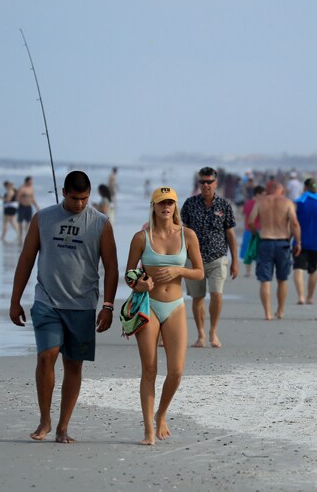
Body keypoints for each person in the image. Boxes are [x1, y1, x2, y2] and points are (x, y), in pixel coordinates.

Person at [9, 171, 118, 443]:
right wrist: (15, 300)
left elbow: (112, 267)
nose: (80, 204)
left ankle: (63, 426)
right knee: (47, 356)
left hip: (82, 305)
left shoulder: (101, 223)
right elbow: (26, 259)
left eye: (84, 198)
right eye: (74, 198)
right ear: (63, 192)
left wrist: (108, 305)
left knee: (73, 365)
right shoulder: (43, 218)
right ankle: (44, 420)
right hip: (47, 300)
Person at [125, 186, 204, 445]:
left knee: (177, 371)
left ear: (175, 207)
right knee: (149, 369)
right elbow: (129, 274)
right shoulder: (141, 237)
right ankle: (148, 429)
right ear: (154, 206)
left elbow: (199, 272)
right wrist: (139, 284)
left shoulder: (188, 235)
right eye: (161, 203)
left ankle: (161, 413)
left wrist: (178, 271)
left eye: (170, 203)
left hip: (175, 306)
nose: (166, 207)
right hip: (149, 306)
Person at [181, 167, 238, 347]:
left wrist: (235, 260)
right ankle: (200, 335)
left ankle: (213, 332)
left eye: (209, 182)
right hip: (194, 259)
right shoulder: (190, 204)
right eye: (202, 182)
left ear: (216, 183)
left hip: (217, 258)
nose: (205, 185)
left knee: (216, 295)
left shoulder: (224, 205)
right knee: (197, 297)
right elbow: (181, 231)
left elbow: (230, 234)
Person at [248, 181, 301, 320]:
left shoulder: (260, 202)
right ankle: (281, 310)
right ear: (281, 191)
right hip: (282, 242)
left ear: (269, 190)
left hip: (265, 241)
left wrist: (255, 234)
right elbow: (294, 223)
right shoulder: (288, 202)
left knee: (265, 280)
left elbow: (251, 221)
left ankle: (268, 313)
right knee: (282, 279)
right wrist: (298, 242)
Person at [292, 178, 317, 304]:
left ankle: (301, 296)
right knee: (313, 269)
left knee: (298, 268)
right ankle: (310, 297)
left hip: (299, 241)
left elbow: (292, 223)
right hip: (316, 241)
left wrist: (287, 238)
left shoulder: (298, 203)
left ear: (304, 188)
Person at [239, 185, 265, 277]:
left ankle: (247, 272)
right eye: (263, 194)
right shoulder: (261, 204)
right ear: (257, 194)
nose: (264, 196)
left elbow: (244, 214)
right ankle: (258, 271)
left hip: (248, 229)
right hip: (258, 229)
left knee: (248, 251)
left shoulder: (247, 203)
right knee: (260, 251)